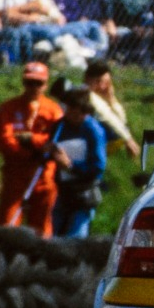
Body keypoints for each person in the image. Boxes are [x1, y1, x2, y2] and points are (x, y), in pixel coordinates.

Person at [0, 62, 65, 236]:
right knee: (8, 224)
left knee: (41, 227)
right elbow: (4, 139)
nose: (34, 88)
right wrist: (29, 153)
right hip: (16, 173)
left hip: (44, 175)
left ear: (46, 85)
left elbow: (56, 140)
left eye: (38, 83)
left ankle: (41, 260)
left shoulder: (54, 111)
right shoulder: (8, 108)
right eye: (30, 83)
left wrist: (32, 140)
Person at [50, 87, 108, 240]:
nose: (72, 113)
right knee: (55, 235)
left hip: (83, 193)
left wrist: (70, 166)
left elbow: (97, 167)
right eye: (69, 108)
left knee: (75, 238)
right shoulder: (60, 126)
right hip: (63, 191)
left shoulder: (93, 130)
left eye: (78, 111)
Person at [83, 59, 140, 159]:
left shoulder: (99, 96)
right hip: (77, 137)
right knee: (115, 132)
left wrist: (111, 99)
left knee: (119, 131)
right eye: (98, 82)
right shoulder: (86, 93)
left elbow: (122, 121)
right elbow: (107, 115)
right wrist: (128, 139)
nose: (102, 87)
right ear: (87, 79)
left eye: (106, 83)